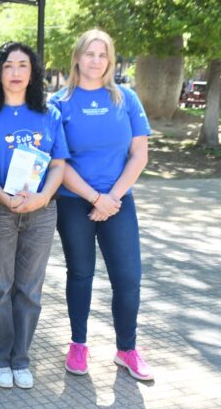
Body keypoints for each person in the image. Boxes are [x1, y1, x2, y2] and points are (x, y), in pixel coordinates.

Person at [49, 29, 153, 381]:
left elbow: (139, 153)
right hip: (74, 202)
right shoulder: (58, 103)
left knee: (128, 278)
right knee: (81, 274)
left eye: (103, 54)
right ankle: (79, 344)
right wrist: (95, 199)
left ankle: (127, 349)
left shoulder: (126, 98)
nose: (96, 60)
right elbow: (58, 163)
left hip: (119, 199)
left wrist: (113, 198)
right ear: (77, 57)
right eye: (89, 53)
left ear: (110, 60)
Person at [0, 42, 68, 390]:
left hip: (40, 211)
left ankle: (20, 357)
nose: (15, 73)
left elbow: (58, 164)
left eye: (22, 65)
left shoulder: (49, 114)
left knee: (29, 289)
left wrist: (41, 198)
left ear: (33, 72)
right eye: (8, 65)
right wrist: (4, 197)